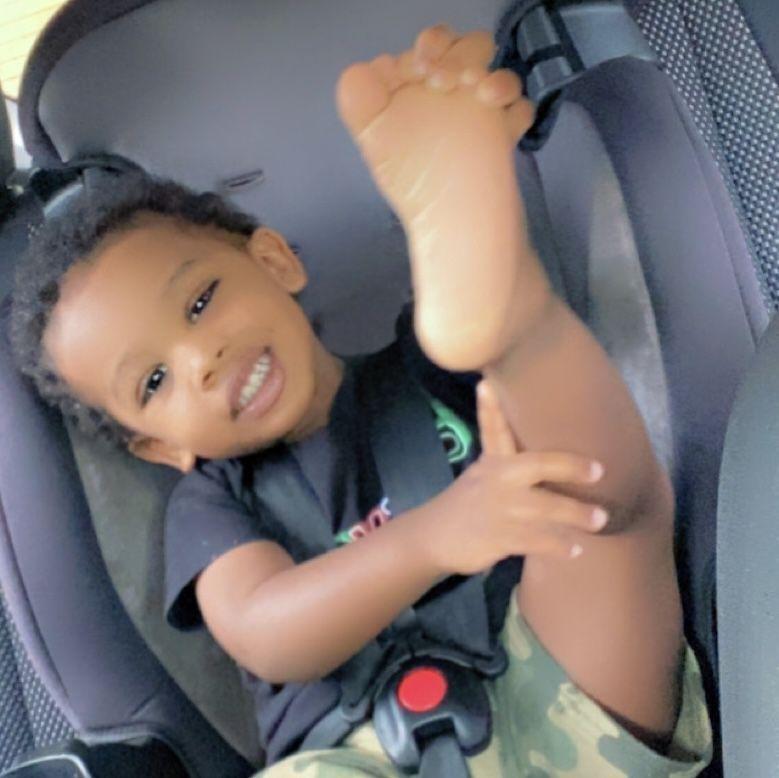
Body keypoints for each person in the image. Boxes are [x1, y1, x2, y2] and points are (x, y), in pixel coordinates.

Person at [11, 24, 711, 777]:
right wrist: (436, 537)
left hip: (549, 668)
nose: (201, 360)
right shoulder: (210, 504)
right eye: (154, 383)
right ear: (159, 447)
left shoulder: (427, 367)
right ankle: (508, 312)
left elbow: (568, 470)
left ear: (274, 261)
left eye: (201, 302)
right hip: (353, 754)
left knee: (599, 512)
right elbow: (265, 632)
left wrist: (507, 397)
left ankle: (509, 311)